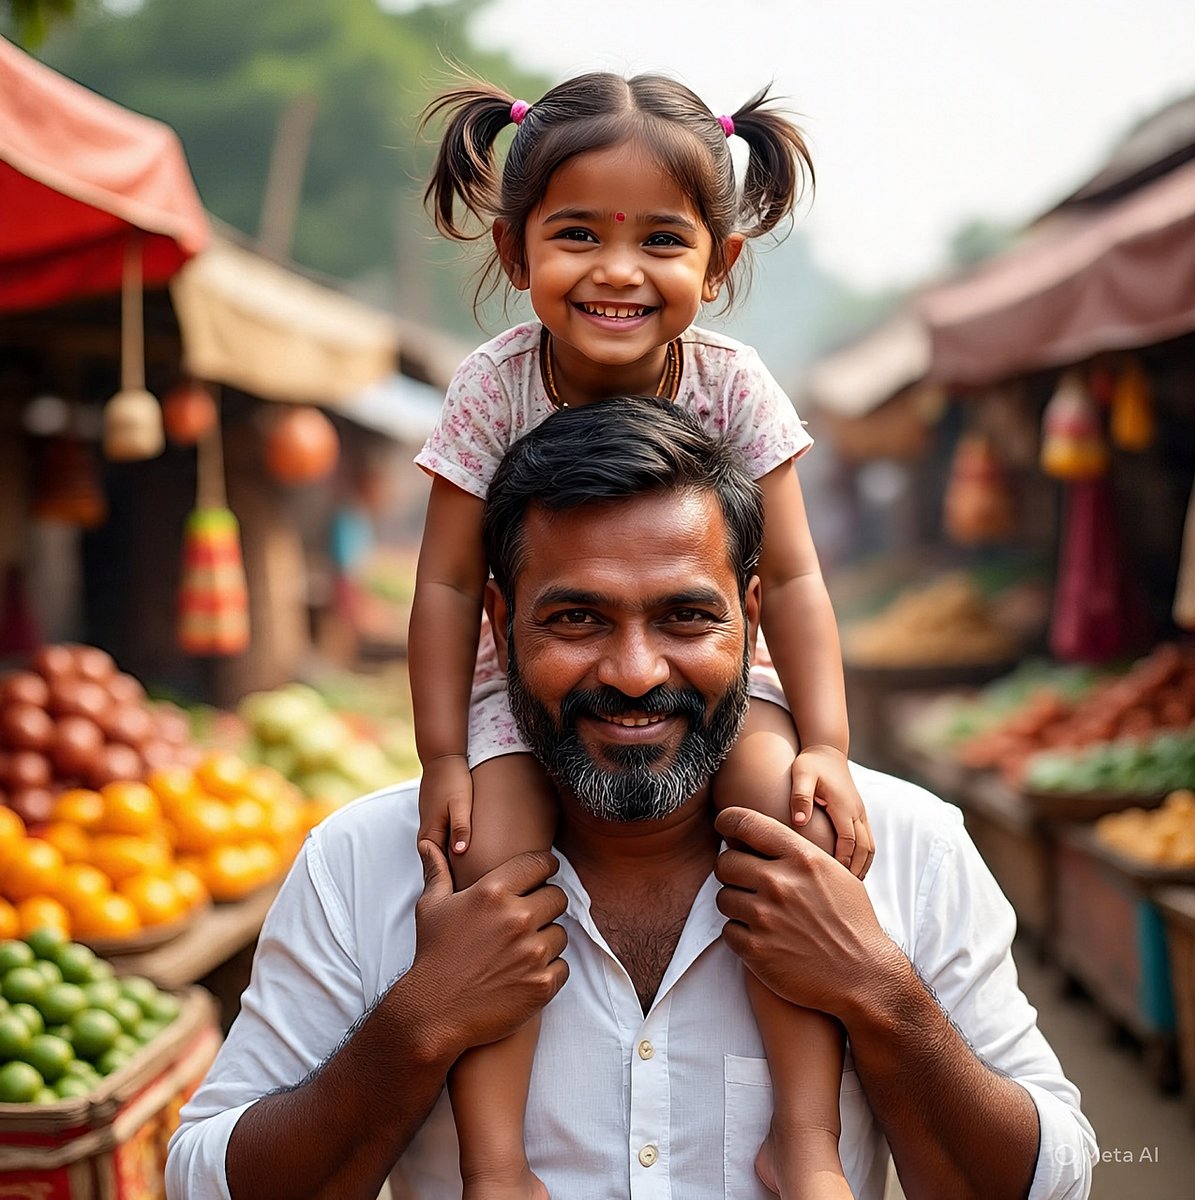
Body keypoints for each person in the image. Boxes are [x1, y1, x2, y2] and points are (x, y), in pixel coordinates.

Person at [165, 398, 1097, 1200]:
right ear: (499, 624)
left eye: (687, 616)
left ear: (755, 618)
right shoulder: (364, 864)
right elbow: (203, 1177)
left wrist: (882, 997)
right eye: (576, 618)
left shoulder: (907, 848)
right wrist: (416, 1026)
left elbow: (1055, 1176)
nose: (636, 672)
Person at [410, 70, 870, 1199]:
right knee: (494, 868)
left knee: (781, 826)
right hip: (521, 686)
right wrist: (441, 758)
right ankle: (497, 1164)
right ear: (518, 254)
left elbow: (796, 578)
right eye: (577, 235)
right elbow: (443, 586)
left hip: (717, 683)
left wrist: (828, 743)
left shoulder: (735, 386)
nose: (618, 271)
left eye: (661, 240)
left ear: (717, 264)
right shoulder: (490, 387)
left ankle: (804, 1139)